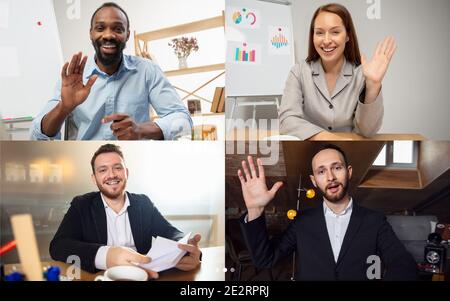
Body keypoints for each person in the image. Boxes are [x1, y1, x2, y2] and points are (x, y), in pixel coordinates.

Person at [237, 144, 418, 281]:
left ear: (349, 172)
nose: (330, 177)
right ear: (314, 181)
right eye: (321, 171)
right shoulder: (302, 222)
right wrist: (255, 210)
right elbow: (265, 260)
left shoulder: (375, 221)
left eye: (337, 168)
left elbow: (404, 266)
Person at [31, 2, 192, 141]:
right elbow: (37, 135)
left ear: (127, 35)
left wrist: (140, 130)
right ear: (91, 33)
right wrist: (63, 108)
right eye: (100, 28)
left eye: (118, 29)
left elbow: (182, 120)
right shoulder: (73, 78)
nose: (108, 35)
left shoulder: (147, 70)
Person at [50, 144, 202, 277]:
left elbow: (171, 233)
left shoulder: (144, 203)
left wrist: (187, 248)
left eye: (117, 168)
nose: (112, 175)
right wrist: (106, 255)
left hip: (144, 276)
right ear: (94, 178)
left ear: (126, 173)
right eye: (103, 170)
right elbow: (58, 246)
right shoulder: (81, 204)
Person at [279, 3, 397, 140]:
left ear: (347, 36)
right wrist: (326, 137)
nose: (327, 40)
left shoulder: (361, 74)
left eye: (335, 32)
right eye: (319, 33)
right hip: (309, 152)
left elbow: (367, 131)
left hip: (348, 153)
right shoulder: (299, 71)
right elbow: (287, 121)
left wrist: (373, 84)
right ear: (313, 36)